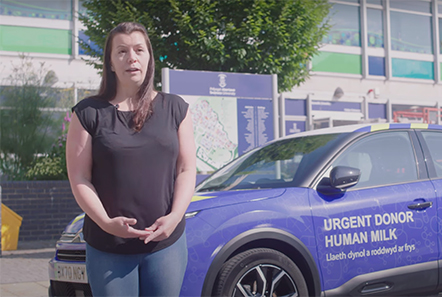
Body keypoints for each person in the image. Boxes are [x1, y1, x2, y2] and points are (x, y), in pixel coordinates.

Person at [66, 22, 196, 297]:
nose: (131, 58)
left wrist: (174, 217)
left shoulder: (176, 108)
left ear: (150, 58)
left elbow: (186, 169)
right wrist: (104, 221)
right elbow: (79, 177)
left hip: (165, 244)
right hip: (108, 247)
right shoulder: (88, 113)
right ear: (111, 63)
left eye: (139, 50)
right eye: (121, 51)